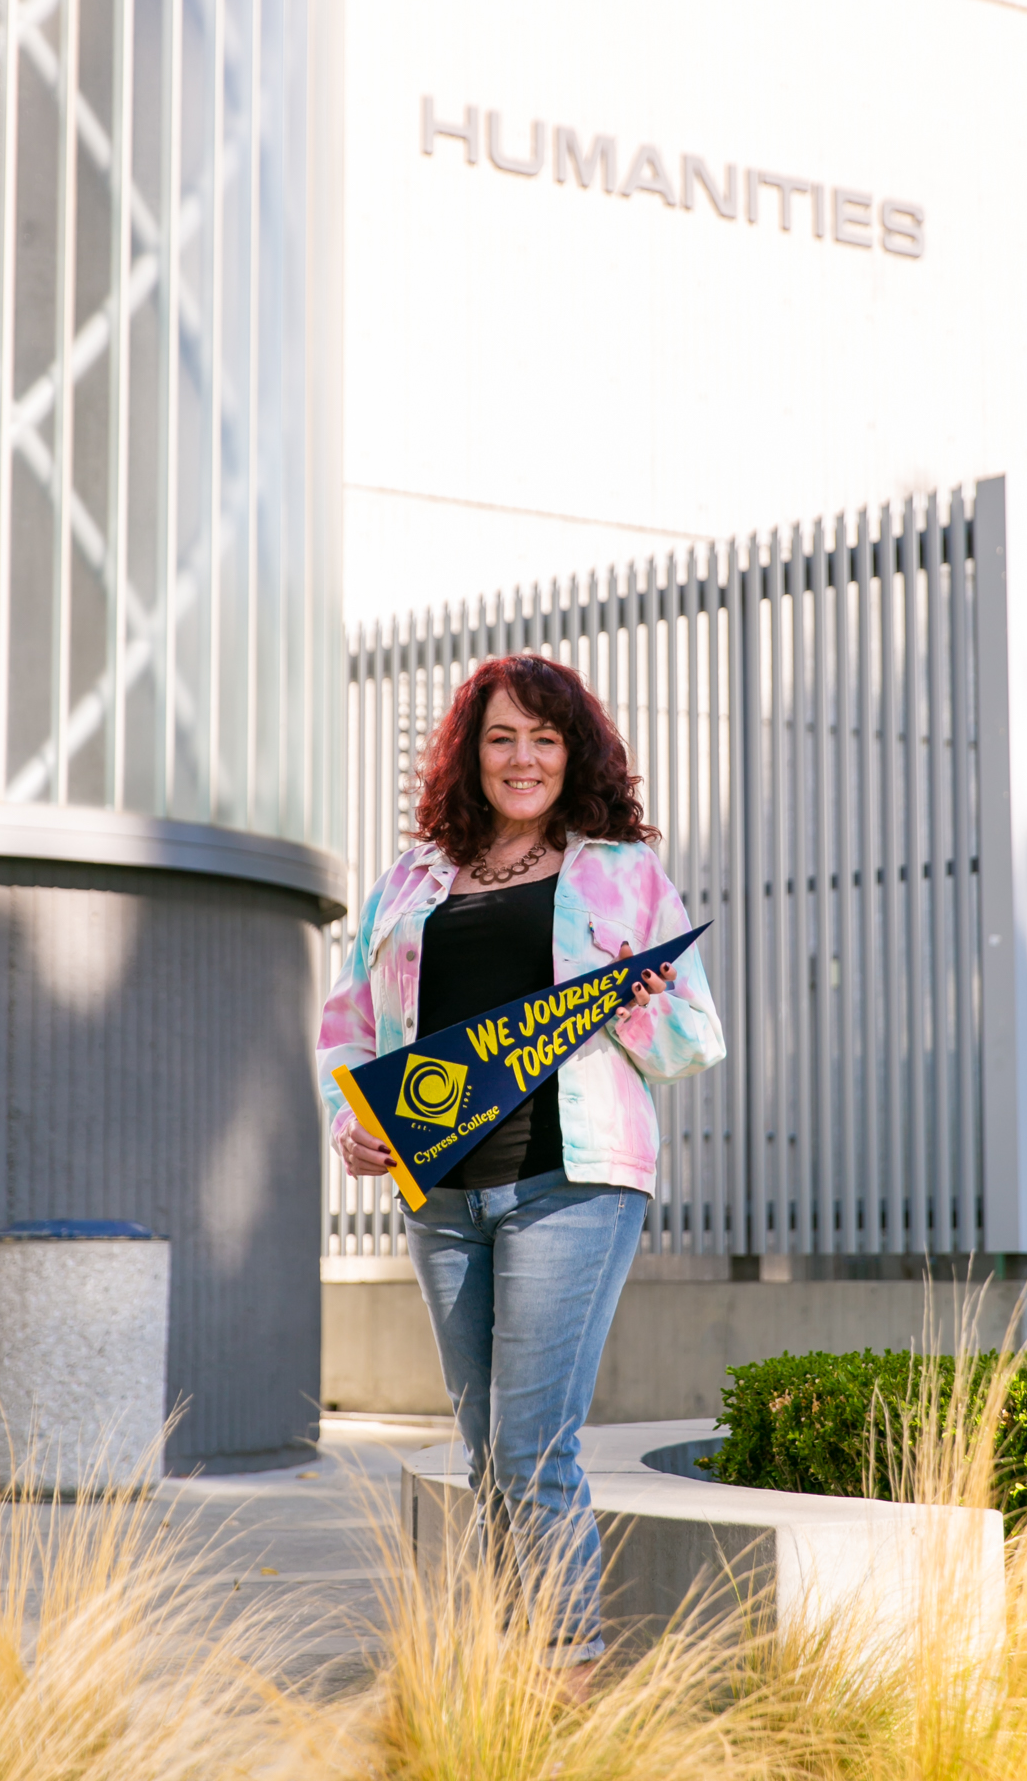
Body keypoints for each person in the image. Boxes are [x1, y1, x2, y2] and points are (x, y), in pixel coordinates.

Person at [316, 653, 724, 1682]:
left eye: (544, 737)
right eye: (502, 736)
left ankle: (564, 1675)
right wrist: (347, 1117)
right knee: (489, 1452)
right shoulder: (413, 877)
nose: (523, 756)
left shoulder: (620, 872)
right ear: (472, 751)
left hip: (571, 1184)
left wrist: (621, 995)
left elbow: (692, 1035)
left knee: (536, 1448)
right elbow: (350, 1021)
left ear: (573, 748)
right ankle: (513, 1667)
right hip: (443, 1198)